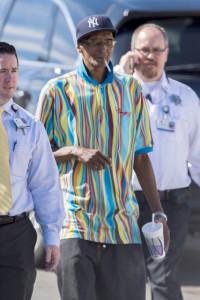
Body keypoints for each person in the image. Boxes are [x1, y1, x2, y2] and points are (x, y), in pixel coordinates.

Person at [36, 15, 170, 300]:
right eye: (93, 42)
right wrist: (73, 151)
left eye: (108, 42)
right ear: (79, 47)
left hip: (122, 226)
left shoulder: (131, 90)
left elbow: (141, 158)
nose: (102, 49)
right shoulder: (57, 91)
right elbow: (36, 157)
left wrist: (159, 214)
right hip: (74, 223)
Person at [115, 23, 200, 300]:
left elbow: (197, 154)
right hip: (125, 203)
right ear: (131, 52)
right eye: (143, 50)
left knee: (163, 275)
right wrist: (119, 74)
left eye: (156, 50)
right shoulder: (116, 91)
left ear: (166, 54)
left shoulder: (186, 98)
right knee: (126, 276)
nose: (149, 56)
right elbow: (102, 121)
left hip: (169, 205)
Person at [0, 42, 65, 300]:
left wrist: (51, 236)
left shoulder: (30, 126)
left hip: (16, 235)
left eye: (14, 70)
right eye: (2, 70)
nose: (10, 78)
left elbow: (45, 185)